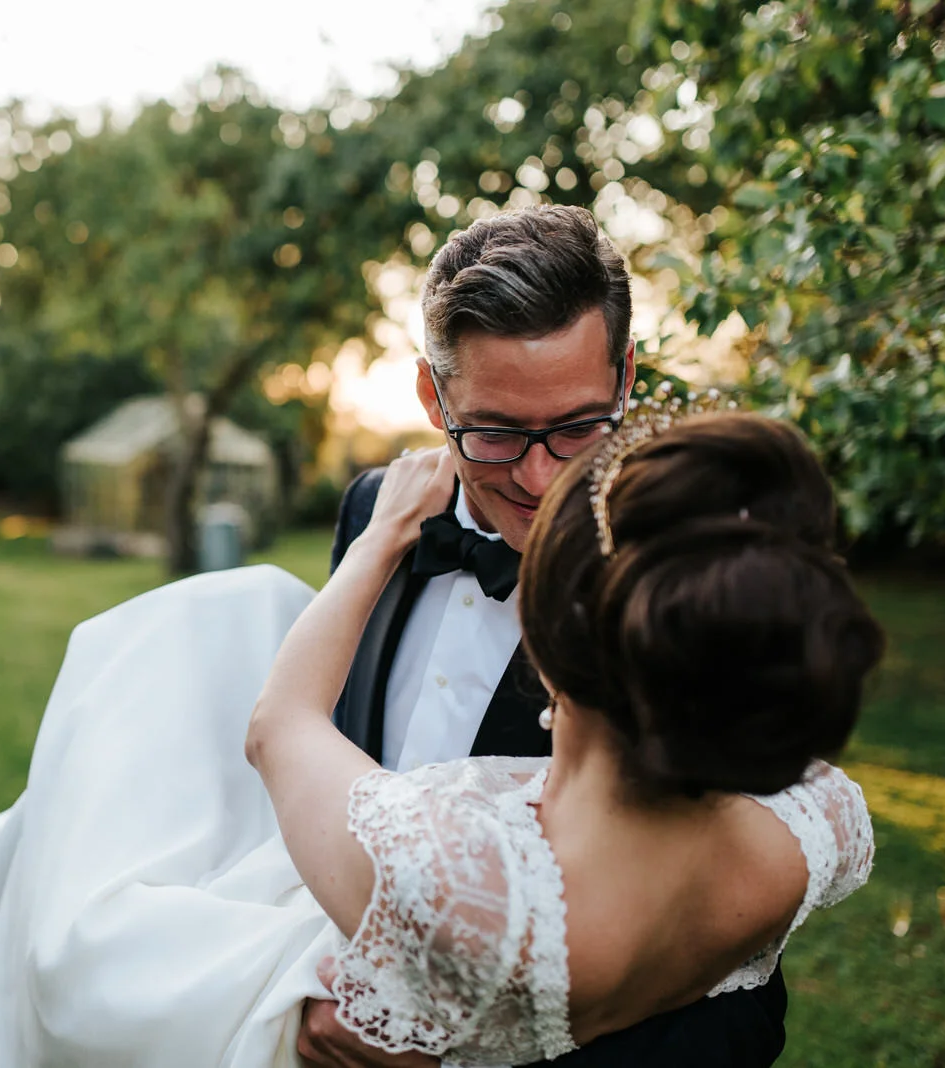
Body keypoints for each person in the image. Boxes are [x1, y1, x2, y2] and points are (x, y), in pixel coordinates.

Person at [0, 405, 883, 1065]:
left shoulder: (453, 887)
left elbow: (277, 724)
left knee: (189, 634)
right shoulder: (815, 832)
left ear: (547, 644)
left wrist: (377, 542)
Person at [301, 208, 795, 1067]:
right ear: (432, 395)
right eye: (493, 431)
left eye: (577, 427)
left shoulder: (692, 580)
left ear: (626, 375)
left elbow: (738, 994)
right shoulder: (370, 513)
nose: (539, 477)